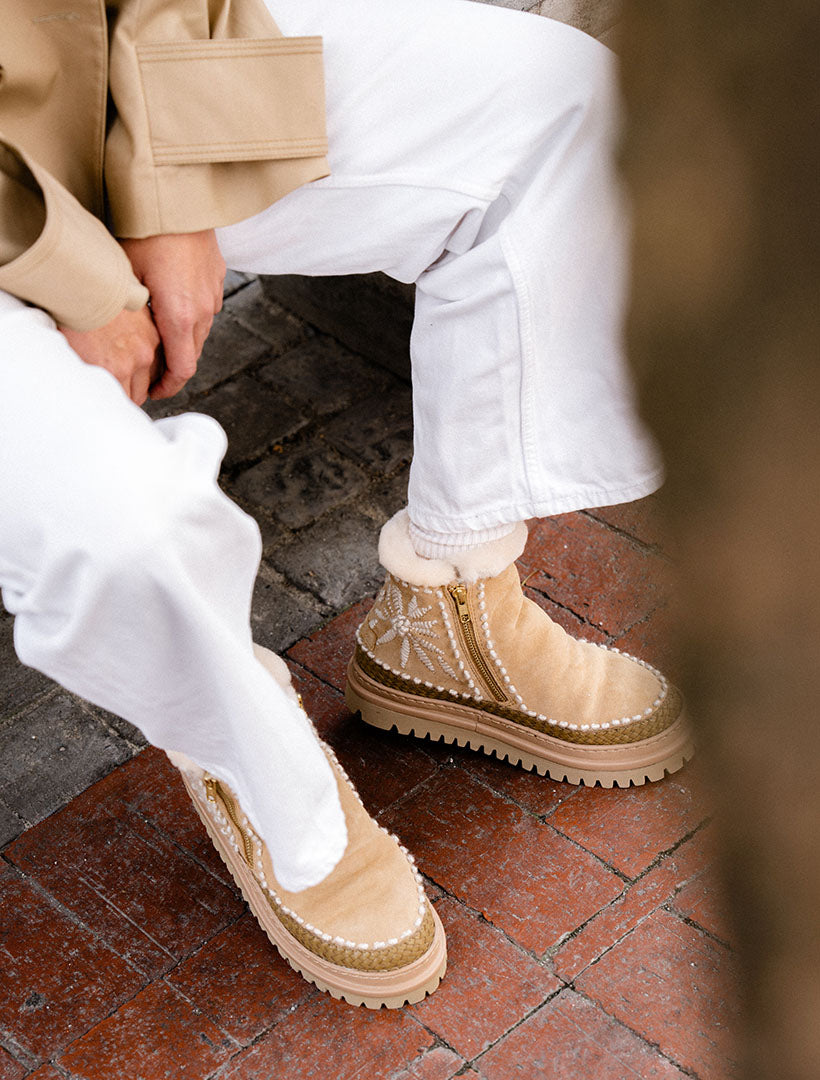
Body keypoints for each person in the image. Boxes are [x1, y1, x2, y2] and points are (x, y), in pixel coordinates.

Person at [0, 0, 690, 1007]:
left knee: (566, 109)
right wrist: (76, 275)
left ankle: (451, 610)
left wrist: (175, 184)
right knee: (120, 527)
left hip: (96, 64)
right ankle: (265, 779)